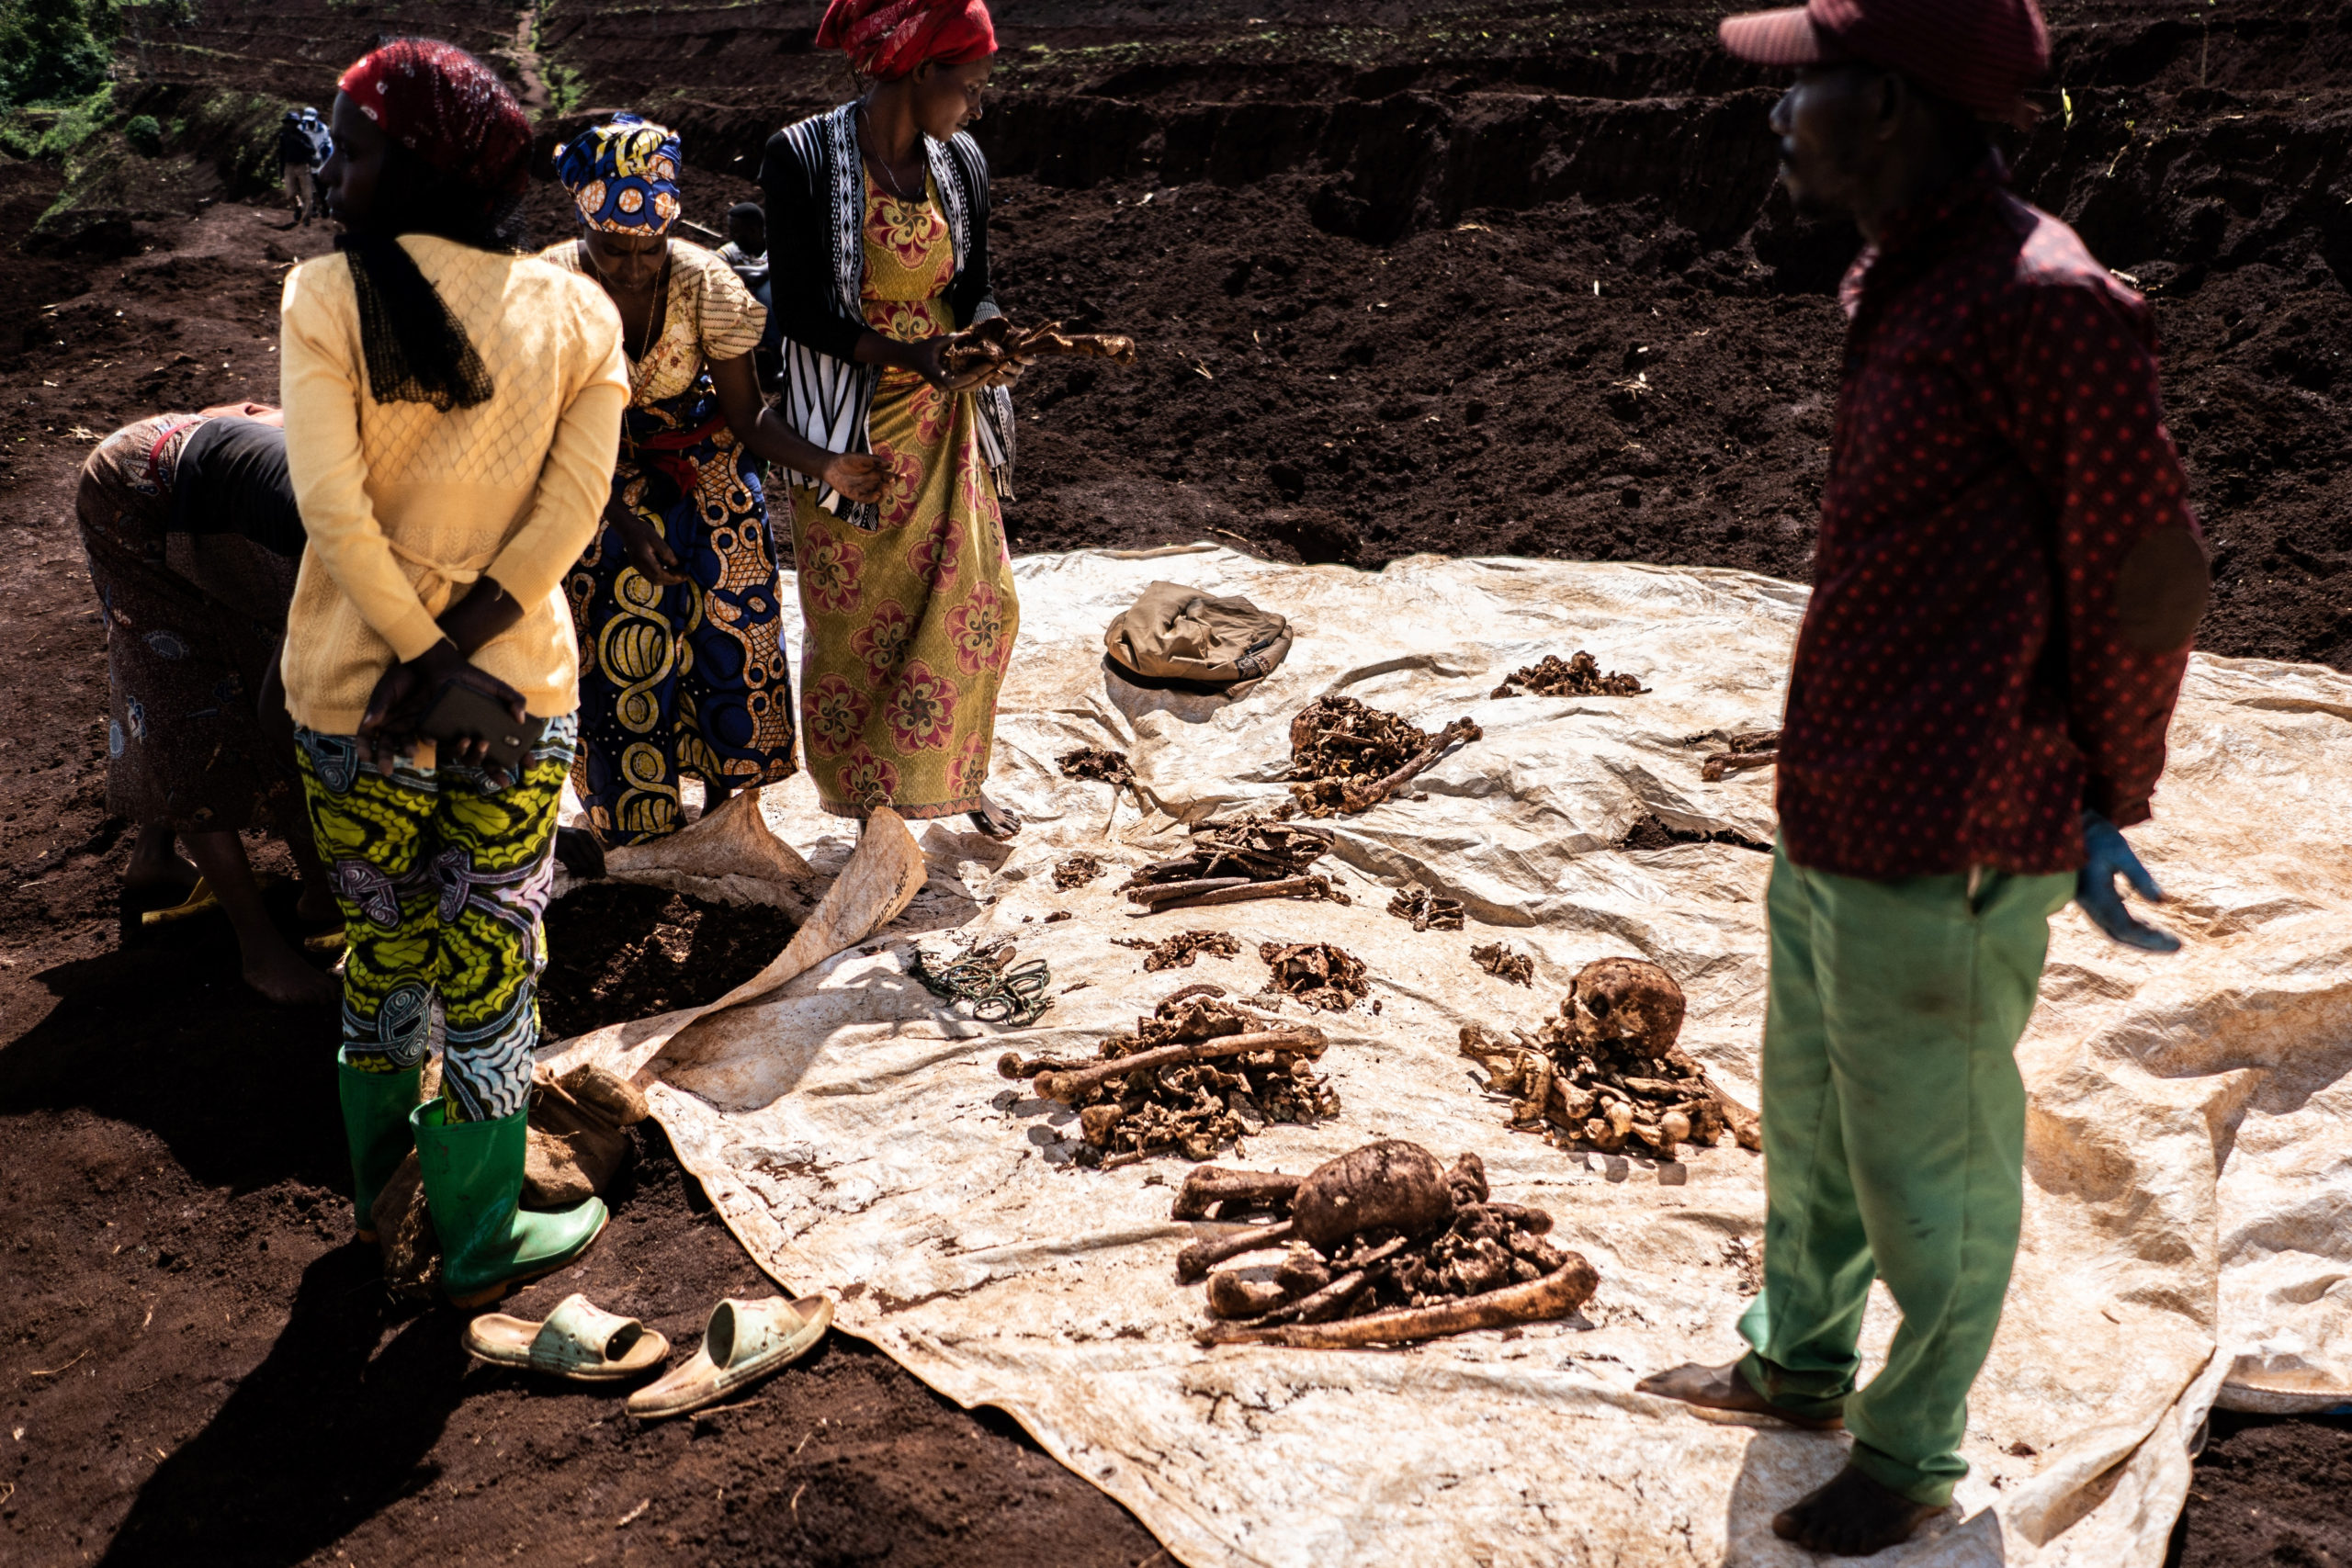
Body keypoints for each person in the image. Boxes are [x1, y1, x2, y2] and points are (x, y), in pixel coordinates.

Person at [1634, 0, 2210, 1554]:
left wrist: (2108, 795)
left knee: (1928, 1151)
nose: (1781, 112)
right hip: (1839, 796)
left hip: (1956, 823)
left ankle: (1911, 1442)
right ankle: (1801, 1360)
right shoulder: (1906, 275)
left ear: (1887, 101)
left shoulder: (2052, 304)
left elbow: (2149, 574)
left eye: (1804, 83)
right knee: (1815, 1118)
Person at [284, 39, 628, 1305]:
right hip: (514, 702)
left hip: (351, 699)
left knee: (380, 952)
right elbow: (572, 510)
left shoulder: (323, 296)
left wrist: (417, 661)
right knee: (489, 959)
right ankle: (477, 1238)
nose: (334, 168)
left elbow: (330, 505)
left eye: (356, 145)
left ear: (418, 166)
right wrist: (466, 653)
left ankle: (385, 1211)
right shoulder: (576, 309)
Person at [545, 116, 883, 847]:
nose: (634, 267)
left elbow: (747, 416)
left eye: (649, 248)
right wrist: (625, 524)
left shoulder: (703, 279)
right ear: (584, 225)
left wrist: (825, 464)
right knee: (618, 623)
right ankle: (637, 822)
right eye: (614, 247)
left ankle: (728, 810)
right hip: (593, 469)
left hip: (705, 460)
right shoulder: (550, 288)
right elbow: (556, 433)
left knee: (732, 608)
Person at [760, 0, 1026, 840]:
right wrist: (913, 356)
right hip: (852, 425)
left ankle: (956, 776)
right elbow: (798, 311)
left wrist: (984, 334)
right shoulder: (801, 157)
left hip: (946, 419)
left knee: (981, 600)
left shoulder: (962, 162)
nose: (976, 107)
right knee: (859, 624)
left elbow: (973, 280)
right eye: (971, 86)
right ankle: (873, 799)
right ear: (920, 73)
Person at [75, 401, 341, 1007]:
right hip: (130, 496)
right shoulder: (337, 538)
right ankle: (261, 951)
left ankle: (160, 859)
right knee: (188, 709)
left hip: (208, 491)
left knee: (249, 659)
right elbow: (282, 712)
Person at [277, 107, 330, 227]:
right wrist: (281, 172)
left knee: (308, 194)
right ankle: (298, 208)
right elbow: (281, 154)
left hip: (303, 166)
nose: (291, 125)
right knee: (290, 193)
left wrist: (300, 142)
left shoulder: (303, 136)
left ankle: (306, 218)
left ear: (296, 124)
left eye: (293, 123)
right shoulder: (283, 137)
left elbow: (311, 150)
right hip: (289, 166)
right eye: (289, 123)